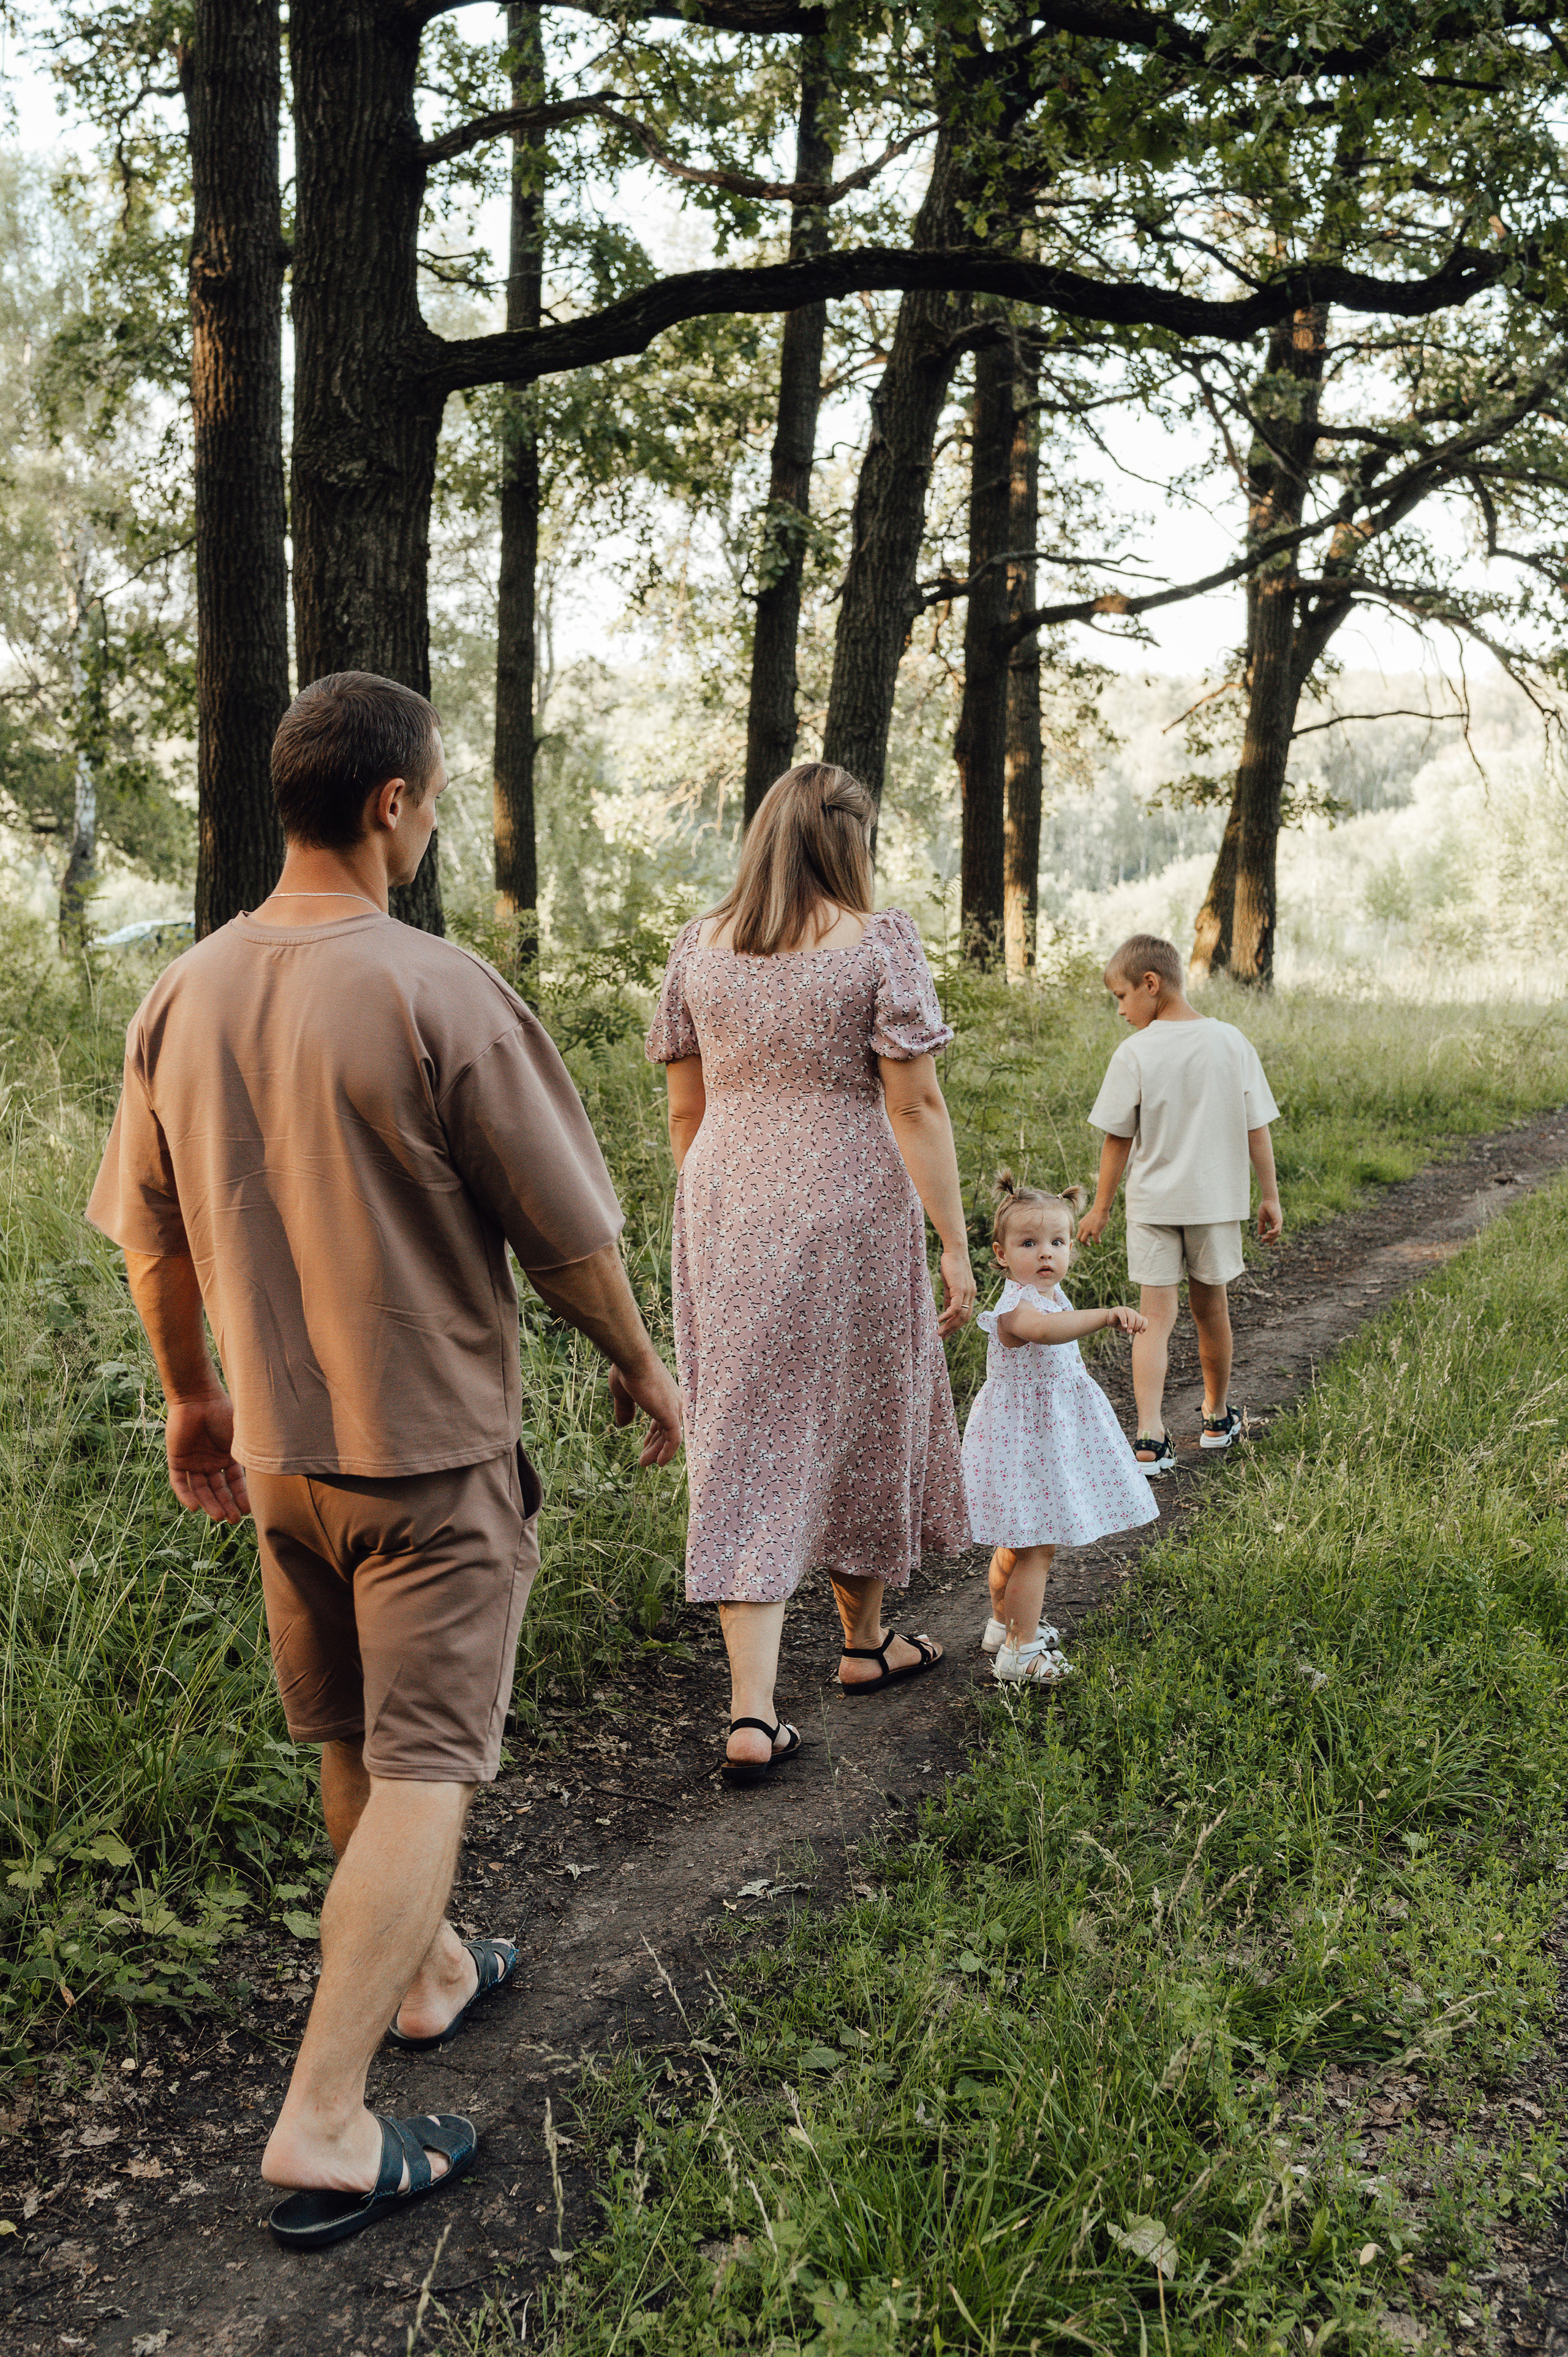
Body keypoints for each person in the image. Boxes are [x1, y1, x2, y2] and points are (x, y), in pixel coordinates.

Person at [86, 672, 682, 2252]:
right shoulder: (436, 986)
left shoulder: (182, 993)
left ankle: (422, 1976)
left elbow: (150, 1240)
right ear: (390, 805)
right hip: (424, 1457)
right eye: (429, 798)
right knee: (428, 1761)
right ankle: (329, 2115)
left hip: (277, 1457)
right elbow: (564, 1236)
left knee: (353, 1730)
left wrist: (191, 1399)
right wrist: (637, 1359)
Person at [645, 762, 975, 1787]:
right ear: (851, 840)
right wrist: (955, 1244)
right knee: (864, 1411)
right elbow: (914, 1107)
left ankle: (752, 1710)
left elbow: (683, 1111)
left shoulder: (698, 947)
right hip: (850, 1203)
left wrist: (718, 1200)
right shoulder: (879, 941)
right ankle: (864, 1643)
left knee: (744, 1429)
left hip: (726, 1201)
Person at [1077, 932, 1283, 1472]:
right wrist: (1270, 1196)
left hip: (1152, 1207)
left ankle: (1150, 1436)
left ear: (1152, 983)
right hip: (1215, 1204)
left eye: (1121, 996)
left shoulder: (1136, 1052)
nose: (1120, 1010)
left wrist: (1101, 1207)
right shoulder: (1231, 1041)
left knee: (1153, 1318)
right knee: (1211, 1309)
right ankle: (1216, 1418)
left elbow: (1117, 1138)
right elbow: (1255, 1126)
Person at [963, 1173, 1157, 1682]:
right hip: (1027, 1441)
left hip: (1038, 1437)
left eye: (1057, 1242)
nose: (1046, 1253)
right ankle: (1020, 1652)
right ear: (1001, 1254)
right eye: (1029, 1243)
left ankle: (1003, 1624)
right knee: (1036, 1545)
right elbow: (1045, 1334)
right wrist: (1106, 1315)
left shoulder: (1049, 1295)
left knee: (1018, 1540)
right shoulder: (1017, 1308)